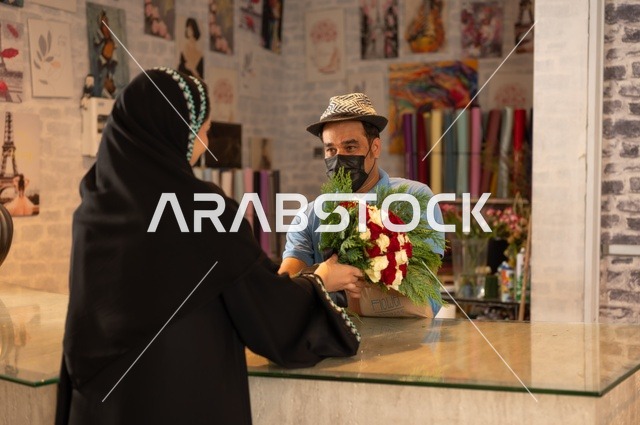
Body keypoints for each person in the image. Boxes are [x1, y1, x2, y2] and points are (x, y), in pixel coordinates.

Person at [55, 68, 363, 425]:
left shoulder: (94, 208)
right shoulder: (202, 211)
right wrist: (319, 281)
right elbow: (268, 313)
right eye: (201, 128)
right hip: (179, 395)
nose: (205, 140)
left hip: (100, 404)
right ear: (173, 132)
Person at [278, 93, 445, 314]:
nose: (339, 158)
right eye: (331, 149)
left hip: (413, 339)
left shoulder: (414, 199)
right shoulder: (310, 215)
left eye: (350, 147)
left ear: (375, 148)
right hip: (337, 340)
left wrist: (334, 278)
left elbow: (423, 281)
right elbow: (285, 282)